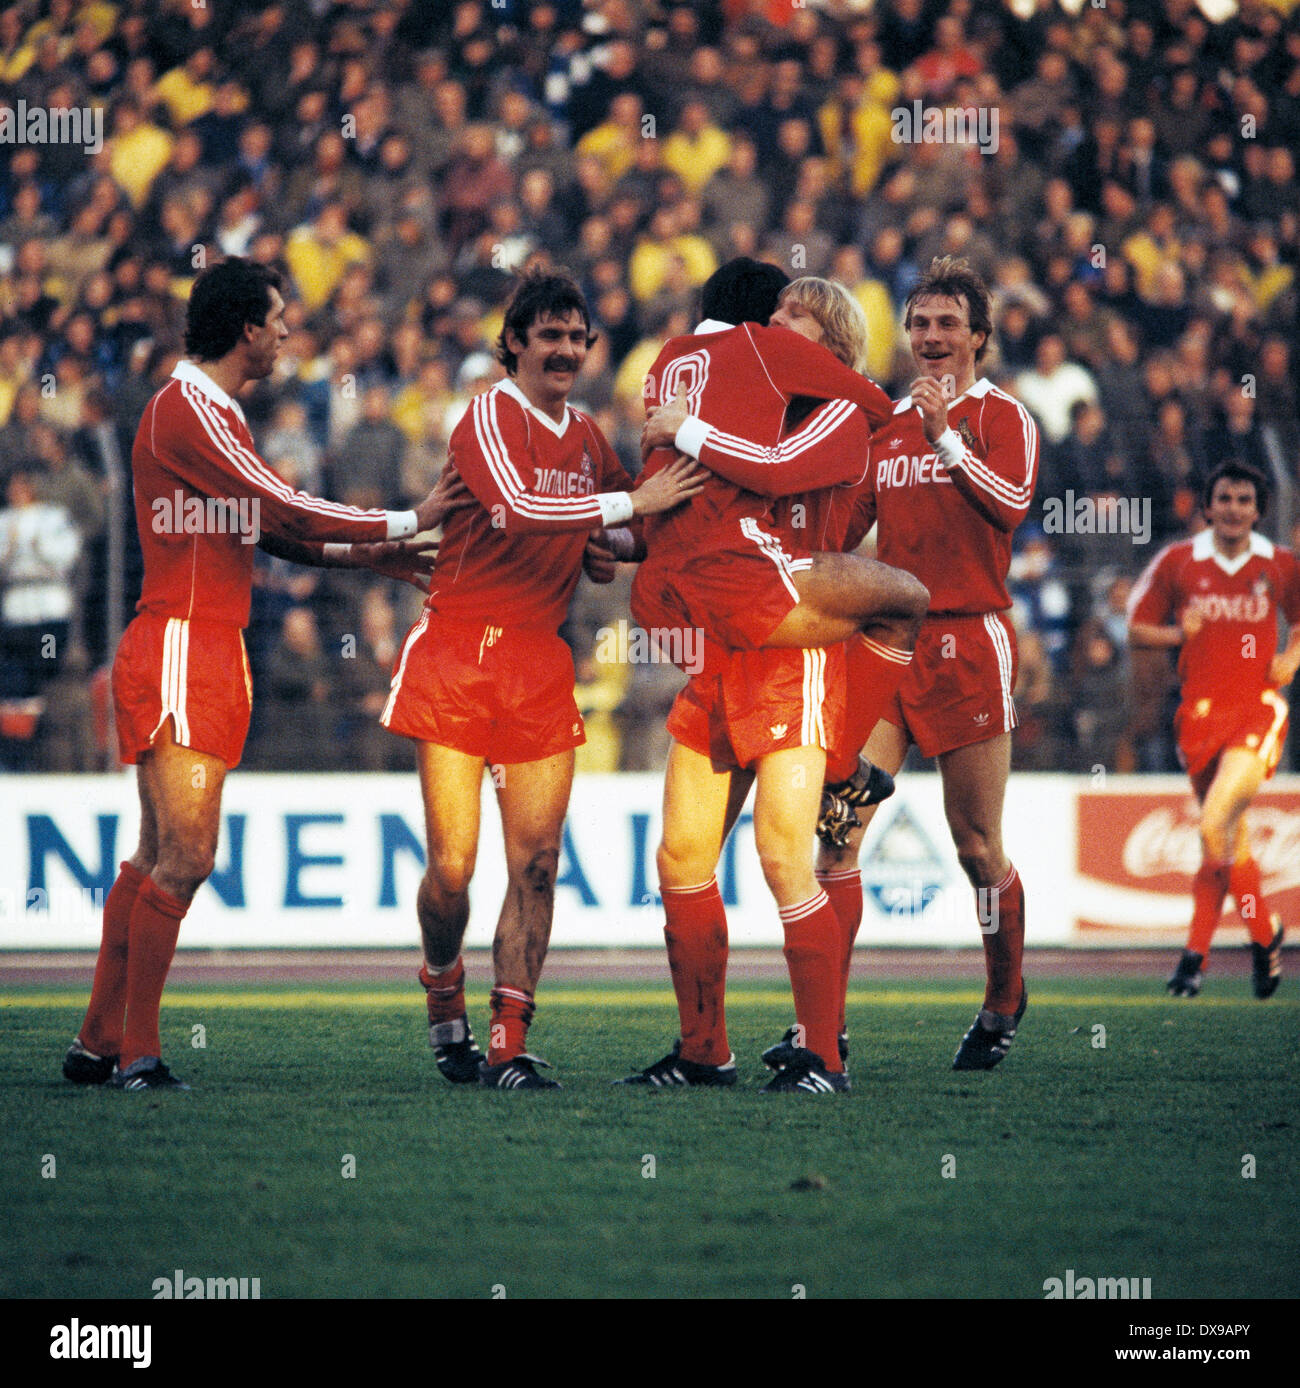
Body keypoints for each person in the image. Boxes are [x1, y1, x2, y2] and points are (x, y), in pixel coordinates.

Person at [62, 257, 451, 1092]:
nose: (285, 332)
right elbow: (280, 507)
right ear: (246, 327)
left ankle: (101, 1040)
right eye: (278, 318)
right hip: (182, 642)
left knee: (156, 853)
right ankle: (138, 1052)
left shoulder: (211, 410)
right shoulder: (189, 410)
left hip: (199, 640)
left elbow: (270, 534)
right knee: (186, 857)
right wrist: (409, 516)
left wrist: (376, 553)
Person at [380, 268, 703, 1091]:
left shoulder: (590, 435)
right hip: (457, 652)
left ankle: (508, 1041)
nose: (564, 350)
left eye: (576, 336)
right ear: (514, 343)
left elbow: (627, 523)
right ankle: (442, 985)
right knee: (452, 868)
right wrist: (625, 514)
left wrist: (624, 539)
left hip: (535, 658)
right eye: (548, 335)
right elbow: (519, 508)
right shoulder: (487, 413)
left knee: (538, 862)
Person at [619, 271, 925, 1093]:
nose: (776, 324)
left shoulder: (833, 415)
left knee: (782, 859)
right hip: (724, 648)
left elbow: (783, 472)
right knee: (681, 858)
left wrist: (685, 431)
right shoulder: (739, 401)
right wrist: (612, 532)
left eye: (796, 316)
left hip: (791, 649)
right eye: (774, 312)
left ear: (827, 345)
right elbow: (682, 522)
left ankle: (824, 1054)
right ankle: (702, 1049)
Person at [786, 256, 1041, 1072]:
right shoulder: (885, 424)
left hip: (969, 642)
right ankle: (822, 1033)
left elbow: (1010, 509)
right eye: (920, 324)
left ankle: (1004, 996)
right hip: (888, 645)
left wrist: (945, 439)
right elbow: (840, 531)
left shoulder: (1004, 417)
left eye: (947, 324)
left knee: (975, 846)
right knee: (837, 834)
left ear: (979, 338)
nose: (931, 337)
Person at [1128, 462, 1296, 999]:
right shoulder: (1179, 561)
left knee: (1215, 819)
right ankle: (1257, 938)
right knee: (1228, 842)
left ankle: (1197, 956)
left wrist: (1293, 656)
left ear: (1258, 510)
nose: (1234, 508)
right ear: (1207, 506)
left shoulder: (1279, 564)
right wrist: (1178, 632)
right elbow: (1135, 627)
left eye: (1245, 500)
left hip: (1257, 710)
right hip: (1198, 718)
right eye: (1224, 498)